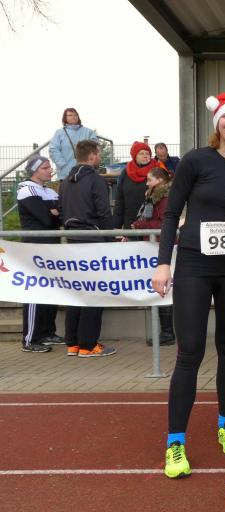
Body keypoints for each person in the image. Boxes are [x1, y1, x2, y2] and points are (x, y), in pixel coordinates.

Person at [152, 91, 225, 478]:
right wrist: (163, 264)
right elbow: (171, 214)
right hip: (195, 266)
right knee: (190, 352)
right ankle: (175, 443)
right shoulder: (196, 160)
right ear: (218, 123)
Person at [59, 140, 117, 358]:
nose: (100, 157)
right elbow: (104, 212)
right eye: (99, 153)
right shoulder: (95, 180)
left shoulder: (65, 182)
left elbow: (62, 210)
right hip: (93, 240)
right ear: (92, 156)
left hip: (72, 240)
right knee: (94, 292)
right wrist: (110, 238)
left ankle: (73, 344)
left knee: (77, 291)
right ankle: (88, 345)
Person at [17, 156, 64, 353]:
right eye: (45, 168)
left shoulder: (50, 191)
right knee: (35, 291)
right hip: (34, 248)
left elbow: (60, 218)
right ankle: (30, 339)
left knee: (51, 289)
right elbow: (46, 219)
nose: (50, 170)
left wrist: (54, 214)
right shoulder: (26, 190)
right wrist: (52, 213)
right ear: (35, 171)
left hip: (51, 247)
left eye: (49, 167)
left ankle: (46, 332)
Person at [131, 166, 175, 346]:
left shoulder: (164, 199)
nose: (147, 183)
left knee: (163, 289)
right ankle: (166, 331)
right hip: (154, 245)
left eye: (149, 180)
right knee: (161, 289)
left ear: (160, 180)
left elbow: (164, 224)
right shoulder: (154, 197)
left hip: (160, 246)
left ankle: (167, 332)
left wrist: (140, 225)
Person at [114, 142, 162, 231]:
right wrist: (116, 225)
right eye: (141, 153)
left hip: (150, 224)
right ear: (135, 156)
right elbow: (120, 200)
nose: (145, 156)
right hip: (130, 221)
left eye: (147, 153)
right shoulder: (126, 172)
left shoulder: (158, 171)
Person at [49, 108, 99, 181]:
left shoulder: (89, 132)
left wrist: (90, 163)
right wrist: (62, 165)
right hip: (66, 173)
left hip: (86, 172)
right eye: (70, 115)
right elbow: (53, 149)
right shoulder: (59, 133)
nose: (73, 117)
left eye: (75, 115)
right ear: (65, 118)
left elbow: (95, 147)